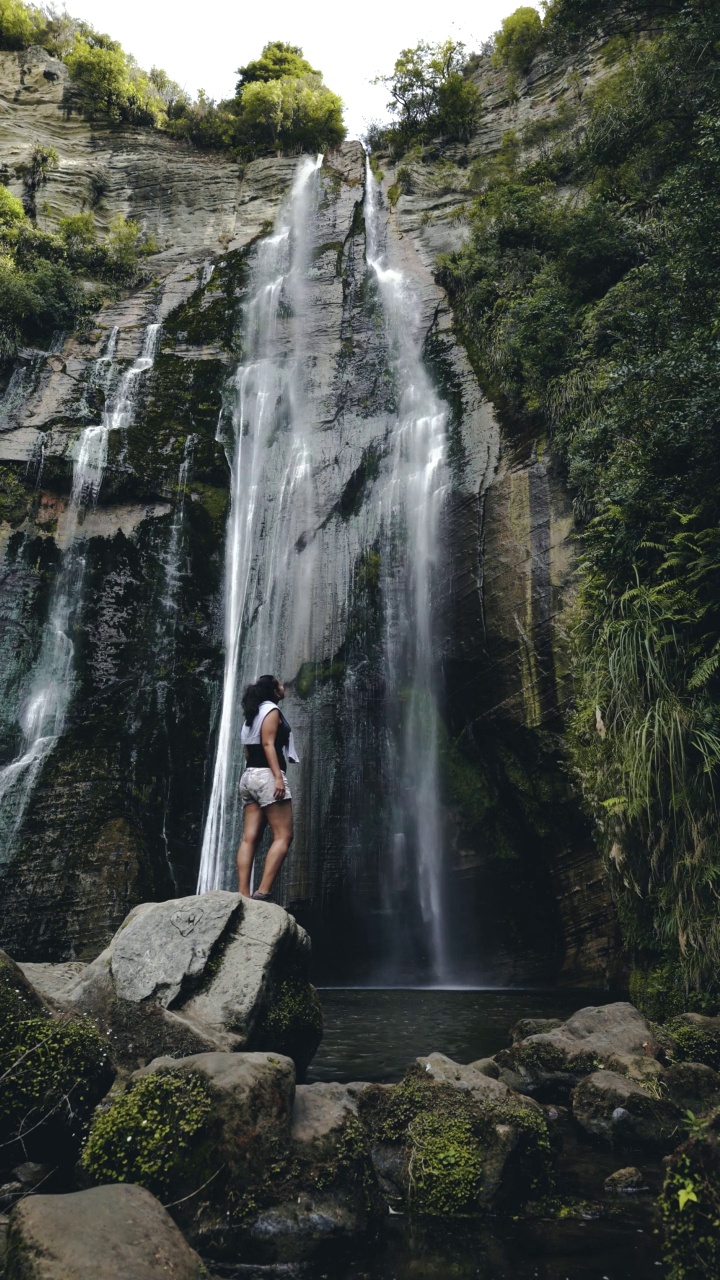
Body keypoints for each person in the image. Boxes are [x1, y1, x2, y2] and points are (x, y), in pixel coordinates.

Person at [237, 673, 299, 901]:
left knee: (249, 838)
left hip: (248, 777)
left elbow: (247, 749)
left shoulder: (250, 715)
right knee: (284, 835)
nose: (284, 686)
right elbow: (267, 744)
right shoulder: (271, 711)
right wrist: (277, 778)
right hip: (266, 776)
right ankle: (262, 892)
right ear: (274, 691)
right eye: (280, 684)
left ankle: (242, 893)